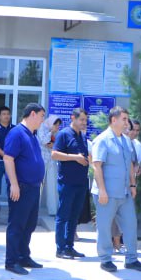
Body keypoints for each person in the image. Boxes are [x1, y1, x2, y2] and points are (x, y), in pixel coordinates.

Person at [93, 107, 141, 272]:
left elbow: (129, 164)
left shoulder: (126, 140)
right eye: (124, 119)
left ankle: (132, 259)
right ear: (113, 120)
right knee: (104, 227)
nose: (127, 123)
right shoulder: (102, 140)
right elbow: (97, 166)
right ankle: (105, 259)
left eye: (127, 119)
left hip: (125, 192)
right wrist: (102, 190)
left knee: (131, 225)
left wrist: (133, 184)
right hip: (107, 193)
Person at [2, 104, 47, 274]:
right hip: (21, 187)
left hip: (33, 187)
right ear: (33, 114)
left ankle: (23, 256)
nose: (42, 120)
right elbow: (8, 159)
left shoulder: (32, 134)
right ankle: (11, 261)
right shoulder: (17, 133)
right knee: (17, 225)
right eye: (41, 116)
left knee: (29, 225)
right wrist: (14, 184)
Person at [52, 108, 91, 259]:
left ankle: (69, 246)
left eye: (85, 120)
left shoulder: (81, 135)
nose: (84, 123)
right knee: (63, 216)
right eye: (81, 120)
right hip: (67, 182)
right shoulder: (64, 134)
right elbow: (55, 154)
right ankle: (60, 248)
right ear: (72, 118)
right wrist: (75, 157)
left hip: (81, 183)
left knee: (74, 216)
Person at [41, 116, 61, 214]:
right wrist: (51, 132)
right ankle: (33, 210)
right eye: (56, 125)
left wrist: (53, 134)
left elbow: (57, 144)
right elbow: (44, 141)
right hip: (42, 161)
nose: (57, 127)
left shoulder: (56, 132)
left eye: (58, 125)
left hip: (52, 161)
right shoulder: (42, 128)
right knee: (39, 186)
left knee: (52, 186)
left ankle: (53, 210)